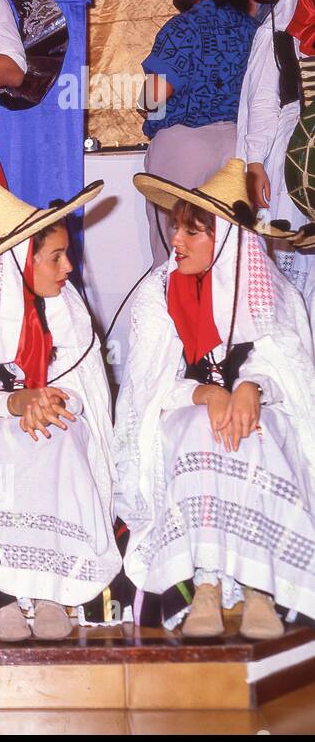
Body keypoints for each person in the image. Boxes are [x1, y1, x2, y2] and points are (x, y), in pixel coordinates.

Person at [115, 158, 315, 638]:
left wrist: (251, 386)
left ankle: (259, 586)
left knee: (257, 436)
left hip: (258, 406)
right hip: (183, 407)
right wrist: (204, 392)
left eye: (192, 232)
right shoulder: (158, 293)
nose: (176, 241)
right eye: (176, 229)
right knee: (198, 436)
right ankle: (206, 583)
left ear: (224, 238)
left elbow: (287, 361)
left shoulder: (267, 288)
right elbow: (148, 381)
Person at [0, 172, 120, 641]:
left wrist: (51, 400)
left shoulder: (68, 306)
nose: (67, 267)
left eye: (66, 254)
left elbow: (82, 380)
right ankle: (1, 590)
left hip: (50, 411)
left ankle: (51, 588)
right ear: (21, 259)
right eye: (55, 257)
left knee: (61, 439)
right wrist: (14, 401)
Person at [138, 0, 258, 258]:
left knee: (174, 252)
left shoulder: (182, 28)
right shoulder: (252, 29)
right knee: (228, 253)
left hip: (184, 147)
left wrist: (141, 102)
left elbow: (154, 97)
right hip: (237, 148)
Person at [238, 0, 315, 315]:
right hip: (294, 155)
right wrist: (254, 162)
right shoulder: (279, 34)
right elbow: (263, 100)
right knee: (293, 264)